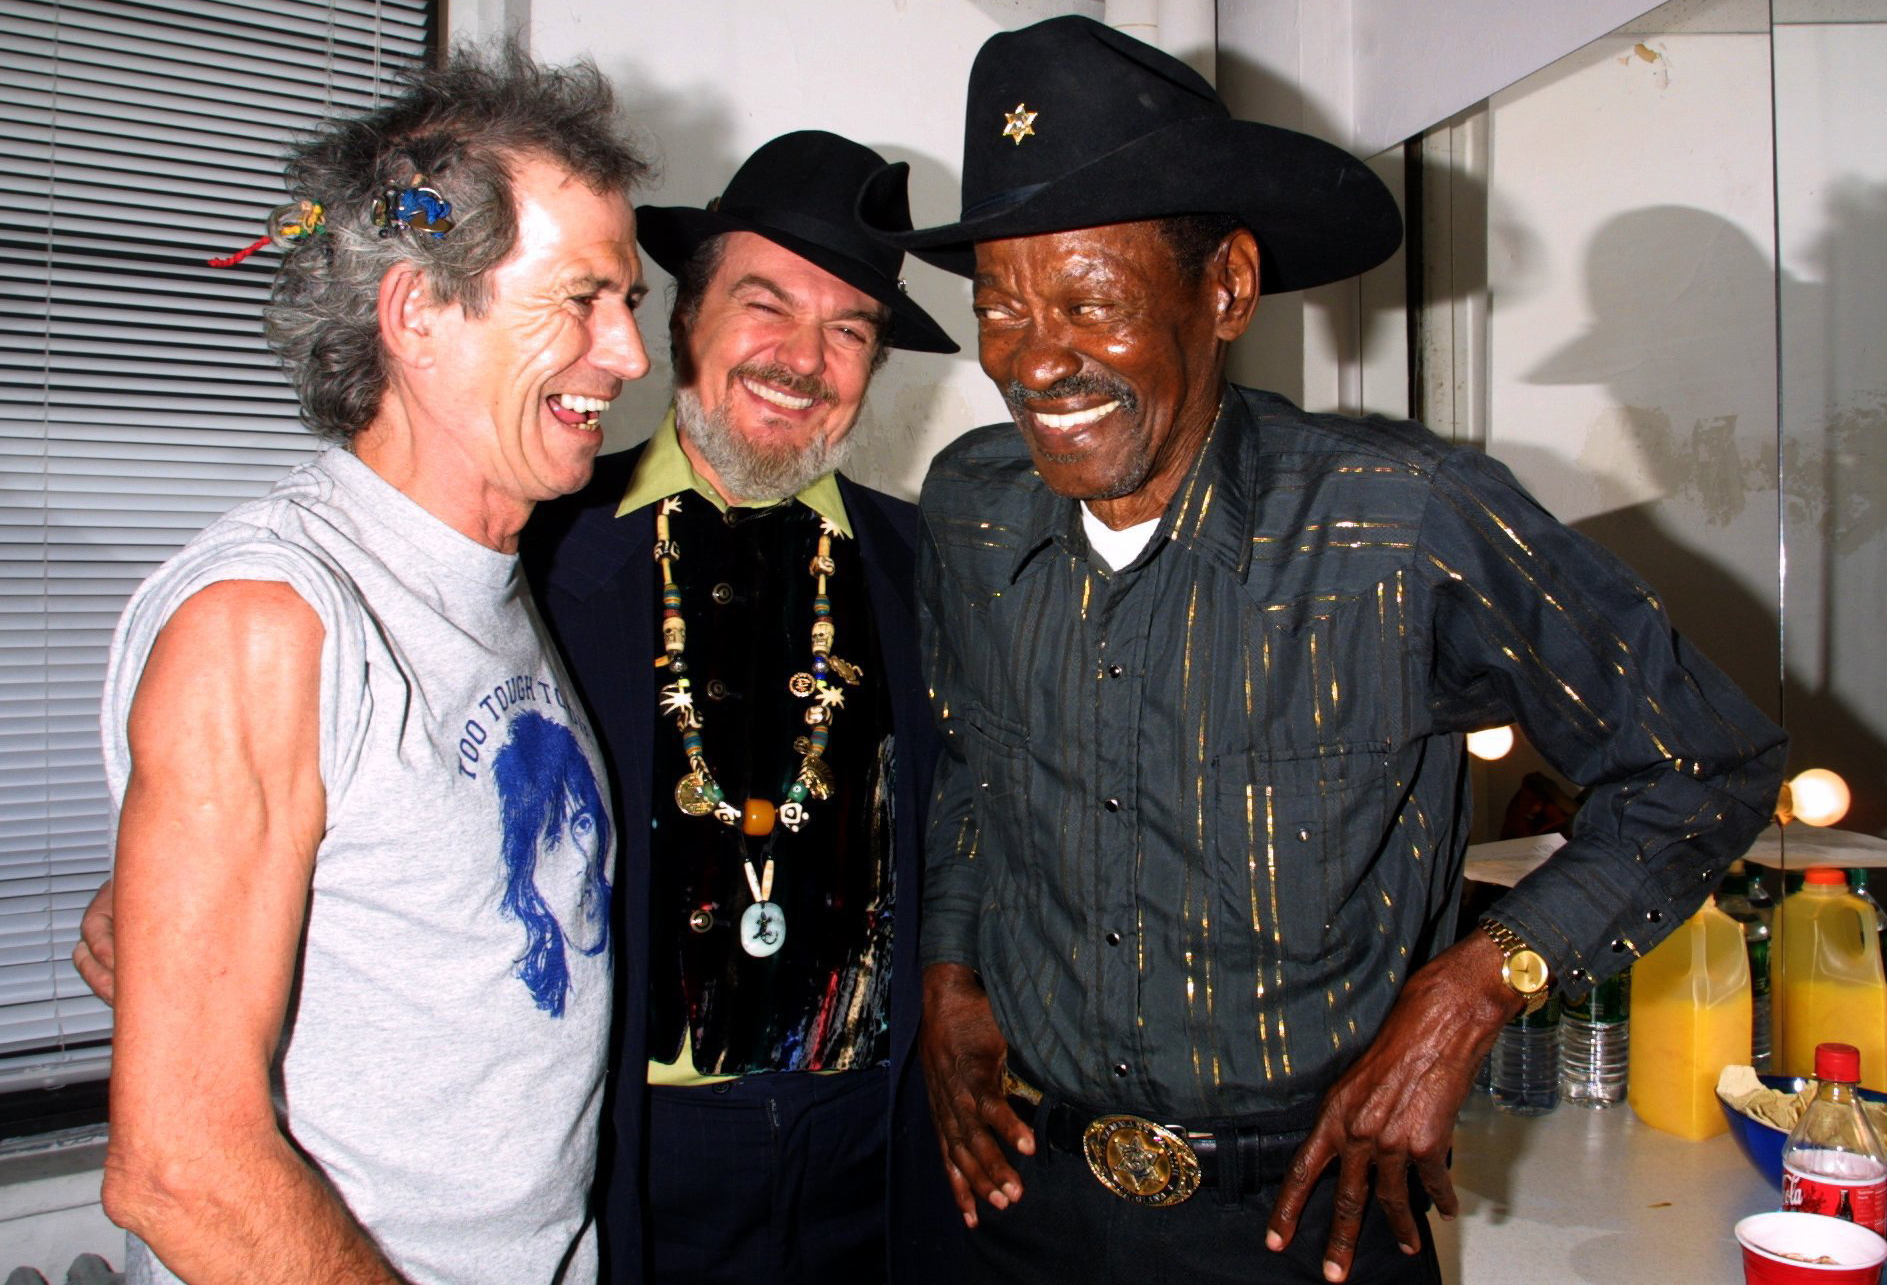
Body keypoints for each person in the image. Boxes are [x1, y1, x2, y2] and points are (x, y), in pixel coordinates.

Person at [859, 15, 1789, 1284]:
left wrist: (1473, 988)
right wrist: (952, 969)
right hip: (1022, 1203)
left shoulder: (1404, 524)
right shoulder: (972, 506)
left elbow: (1704, 762)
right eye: (1001, 309)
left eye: (1089, 301)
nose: (1032, 359)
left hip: (1307, 1223)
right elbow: (973, 759)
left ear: (1226, 288)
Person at [91, 47, 651, 1284]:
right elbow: (179, 1163)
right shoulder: (265, 618)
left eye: (632, 304)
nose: (626, 355)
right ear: (417, 316)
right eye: (580, 299)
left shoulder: (485, 573)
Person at [522, 131, 967, 1283]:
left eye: (850, 331)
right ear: (685, 319)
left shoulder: (936, 568)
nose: (804, 359)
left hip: (877, 1147)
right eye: (765, 305)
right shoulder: (537, 544)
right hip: (634, 1145)